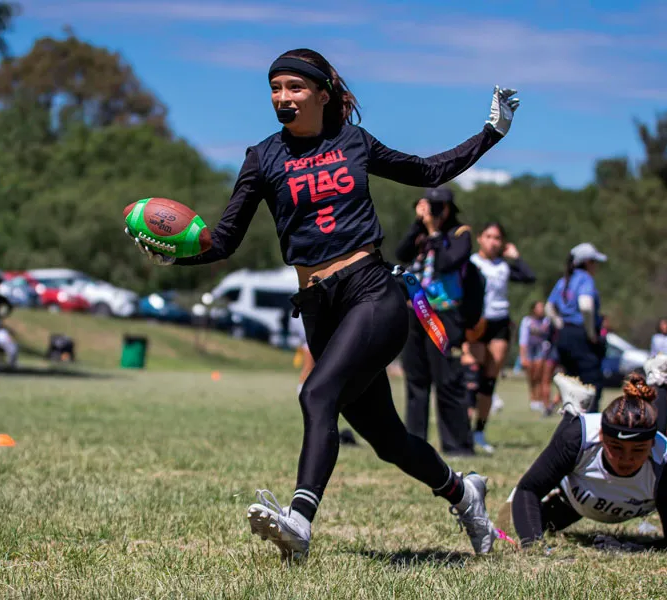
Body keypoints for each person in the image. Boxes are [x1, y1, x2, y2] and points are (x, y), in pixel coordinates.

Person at [127, 48, 520, 561]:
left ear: (321, 93)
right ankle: (464, 493)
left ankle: (299, 521)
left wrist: (492, 132)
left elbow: (428, 171)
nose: (282, 98)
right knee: (388, 440)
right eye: (275, 88)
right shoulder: (262, 157)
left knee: (317, 394)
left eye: (294, 87)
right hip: (317, 306)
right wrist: (173, 258)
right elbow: (221, 241)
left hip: (372, 292)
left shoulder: (353, 142)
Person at [509, 371, 667, 553]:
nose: (626, 458)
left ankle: (659, 379)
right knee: (540, 523)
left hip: (599, 494)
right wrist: (534, 548)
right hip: (576, 498)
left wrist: (628, 548)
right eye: (616, 447)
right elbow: (527, 490)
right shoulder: (579, 439)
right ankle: (572, 411)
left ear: (650, 444)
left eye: (638, 450)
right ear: (601, 436)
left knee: (659, 439)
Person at [396, 187, 477, 456]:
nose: (433, 211)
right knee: (416, 379)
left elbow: (447, 264)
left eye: (438, 206)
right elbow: (402, 253)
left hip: (443, 314)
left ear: (449, 209)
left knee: (448, 380)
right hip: (415, 311)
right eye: (429, 206)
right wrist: (417, 224)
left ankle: (457, 444)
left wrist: (434, 232)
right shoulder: (420, 232)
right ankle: (413, 442)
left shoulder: (460, 234)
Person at [463, 222, 535, 453]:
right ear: (480, 238)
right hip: (475, 322)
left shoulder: (504, 266)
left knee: (488, 381)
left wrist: (516, 256)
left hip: (499, 323)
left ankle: (479, 431)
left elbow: (528, 276)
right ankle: (463, 431)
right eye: (489, 236)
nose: (493, 241)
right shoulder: (471, 263)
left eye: (497, 238)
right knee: (471, 378)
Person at [545, 242, 608, 413]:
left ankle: (572, 424)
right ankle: (590, 426)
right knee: (591, 385)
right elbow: (586, 305)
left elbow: (549, 308)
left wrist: (561, 325)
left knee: (572, 384)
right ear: (587, 262)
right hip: (582, 335)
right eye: (594, 262)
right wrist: (591, 334)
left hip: (565, 335)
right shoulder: (585, 279)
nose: (596, 267)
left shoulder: (565, 280)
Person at [518, 301, 551, 414]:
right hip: (530, 350)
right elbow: (523, 339)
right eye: (539, 307)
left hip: (541, 350)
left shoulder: (546, 321)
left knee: (539, 374)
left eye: (542, 307)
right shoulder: (527, 321)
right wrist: (523, 356)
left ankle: (540, 399)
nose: (541, 309)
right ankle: (533, 399)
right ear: (533, 309)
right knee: (531, 375)